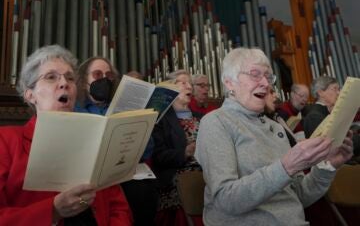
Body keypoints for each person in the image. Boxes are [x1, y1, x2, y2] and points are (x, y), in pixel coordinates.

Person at [195, 47, 353, 226]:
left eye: (269, 77)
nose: (265, 83)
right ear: (229, 82)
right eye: (255, 74)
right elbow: (226, 200)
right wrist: (286, 166)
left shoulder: (275, 127)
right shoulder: (216, 122)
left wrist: (328, 165)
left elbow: (298, 196)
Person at [0, 45, 132, 225]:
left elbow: (118, 207)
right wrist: (52, 211)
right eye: (51, 77)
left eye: (70, 78)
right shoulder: (5, 141)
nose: (64, 83)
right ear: (30, 95)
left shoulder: (95, 143)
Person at [75, 57, 158, 226]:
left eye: (109, 75)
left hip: (125, 171)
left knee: (145, 188)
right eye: (98, 74)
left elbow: (147, 150)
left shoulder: (122, 107)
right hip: (93, 177)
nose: (105, 79)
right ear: (84, 82)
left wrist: (140, 125)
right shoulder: (76, 109)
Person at [151, 70, 202, 226]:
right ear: (170, 88)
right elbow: (158, 156)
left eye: (190, 84)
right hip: (177, 177)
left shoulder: (202, 118)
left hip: (207, 172)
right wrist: (185, 152)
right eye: (183, 82)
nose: (189, 87)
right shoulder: (159, 120)